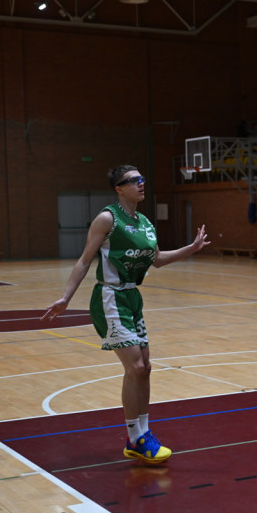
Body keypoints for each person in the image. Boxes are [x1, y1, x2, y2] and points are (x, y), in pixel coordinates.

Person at [42, 166, 209, 464]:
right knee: (134, 367)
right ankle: (136, 437)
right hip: (110, 296)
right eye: (134, 180)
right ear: (119, 188)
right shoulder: (108, 218)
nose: (141, 183)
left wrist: (192, 248)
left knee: (145, 367)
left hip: (133, 297)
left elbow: (156, 259)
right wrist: (66, 297)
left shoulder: (144, 222)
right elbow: (84, 261)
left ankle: (141, 435)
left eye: (142, 178)